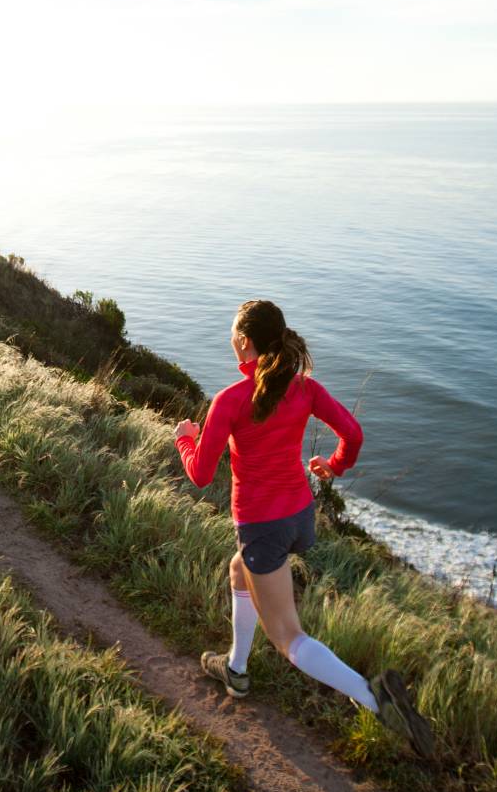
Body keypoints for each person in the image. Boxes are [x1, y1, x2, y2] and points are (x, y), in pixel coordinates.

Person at [174, 299, 433, 754]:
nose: (230, 338)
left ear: (245, 342)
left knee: (288, 638)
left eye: (233, 333)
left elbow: (198, 475)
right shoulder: (305, 389)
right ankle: (235, 669)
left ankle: (376, 700)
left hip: (264, 526)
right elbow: (353, 434)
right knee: (240, 571)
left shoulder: (231, 400)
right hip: (299, 516)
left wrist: (184, 439)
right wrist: (333, 467)